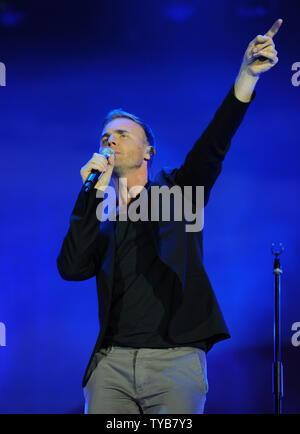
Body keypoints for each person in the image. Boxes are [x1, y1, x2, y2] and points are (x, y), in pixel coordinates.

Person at [57, 19, 282, 414]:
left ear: (148, 151)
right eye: (105, 137)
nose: (111, 140)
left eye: (123, 134)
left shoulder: (179, 193)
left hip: (174, 362)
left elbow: (214, 143)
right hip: (110, 365)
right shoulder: (101, 214)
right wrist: (88, 193)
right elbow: (72, 268)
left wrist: (246, 75)